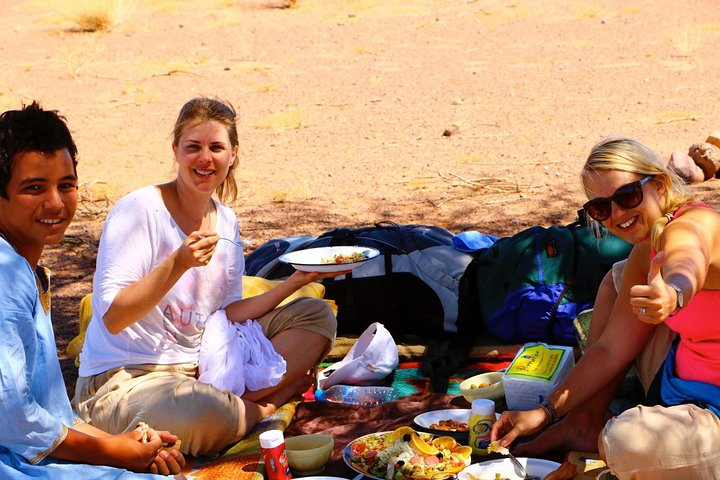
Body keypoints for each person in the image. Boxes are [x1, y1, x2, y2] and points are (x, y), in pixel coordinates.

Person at [74, 97, 341, 457]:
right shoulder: (140, 210)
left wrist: (295, 280)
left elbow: (228, 315)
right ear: (176, 151)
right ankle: (263, 406)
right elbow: (114, 316)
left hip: (202, 368)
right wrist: (178, 264)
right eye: (193, 147)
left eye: (216, 147)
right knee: (205, 412)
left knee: (317, 315)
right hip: (127, 380)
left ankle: (234, 407)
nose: (205, 158)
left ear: (232, 154)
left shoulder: (225, 219)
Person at [491, 136, 720, 479]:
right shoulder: (646, 248)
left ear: (658, 185)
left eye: (627, 197)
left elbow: (688, 260)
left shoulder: (695, 225)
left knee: (625, 441)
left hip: (712, 412)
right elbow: (611, 348)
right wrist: (546, 411)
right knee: (620, 277)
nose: (617, 215)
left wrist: (674, 293)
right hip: (677, 383)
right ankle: (586, 419)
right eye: (601, 208)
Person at [0, 102, 185, 478]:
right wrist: (113, 452)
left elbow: (52, 414)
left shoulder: (24, 267)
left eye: (65, 185)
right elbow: (12, 416)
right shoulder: (6, 276)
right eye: (33, 188)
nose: (55, 203)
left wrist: (124, 446)